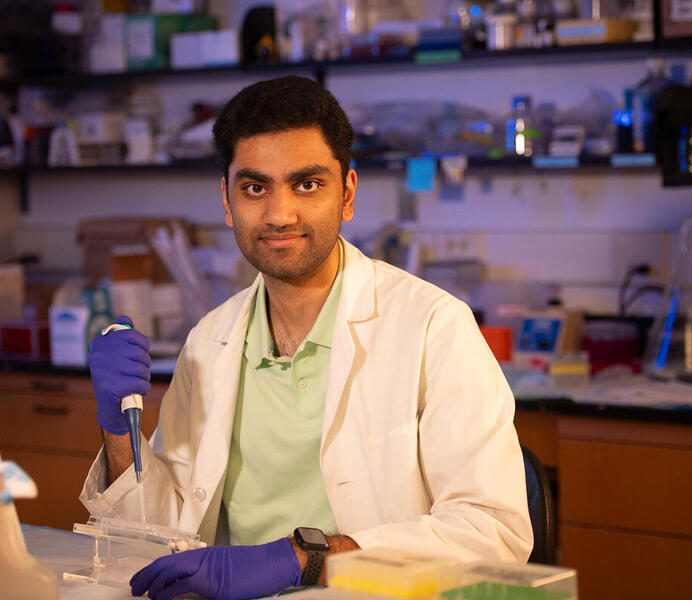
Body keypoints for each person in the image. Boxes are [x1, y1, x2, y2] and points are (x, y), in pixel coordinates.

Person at [82, 75, 532, 600]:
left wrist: (305, 560)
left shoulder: (435, 328)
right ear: (227, 202)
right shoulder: (209, 342)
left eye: (307, 184)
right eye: (255, 187)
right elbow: (163, 533)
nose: (279, 214)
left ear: (347, 195)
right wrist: (120, 432)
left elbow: (493, 533)